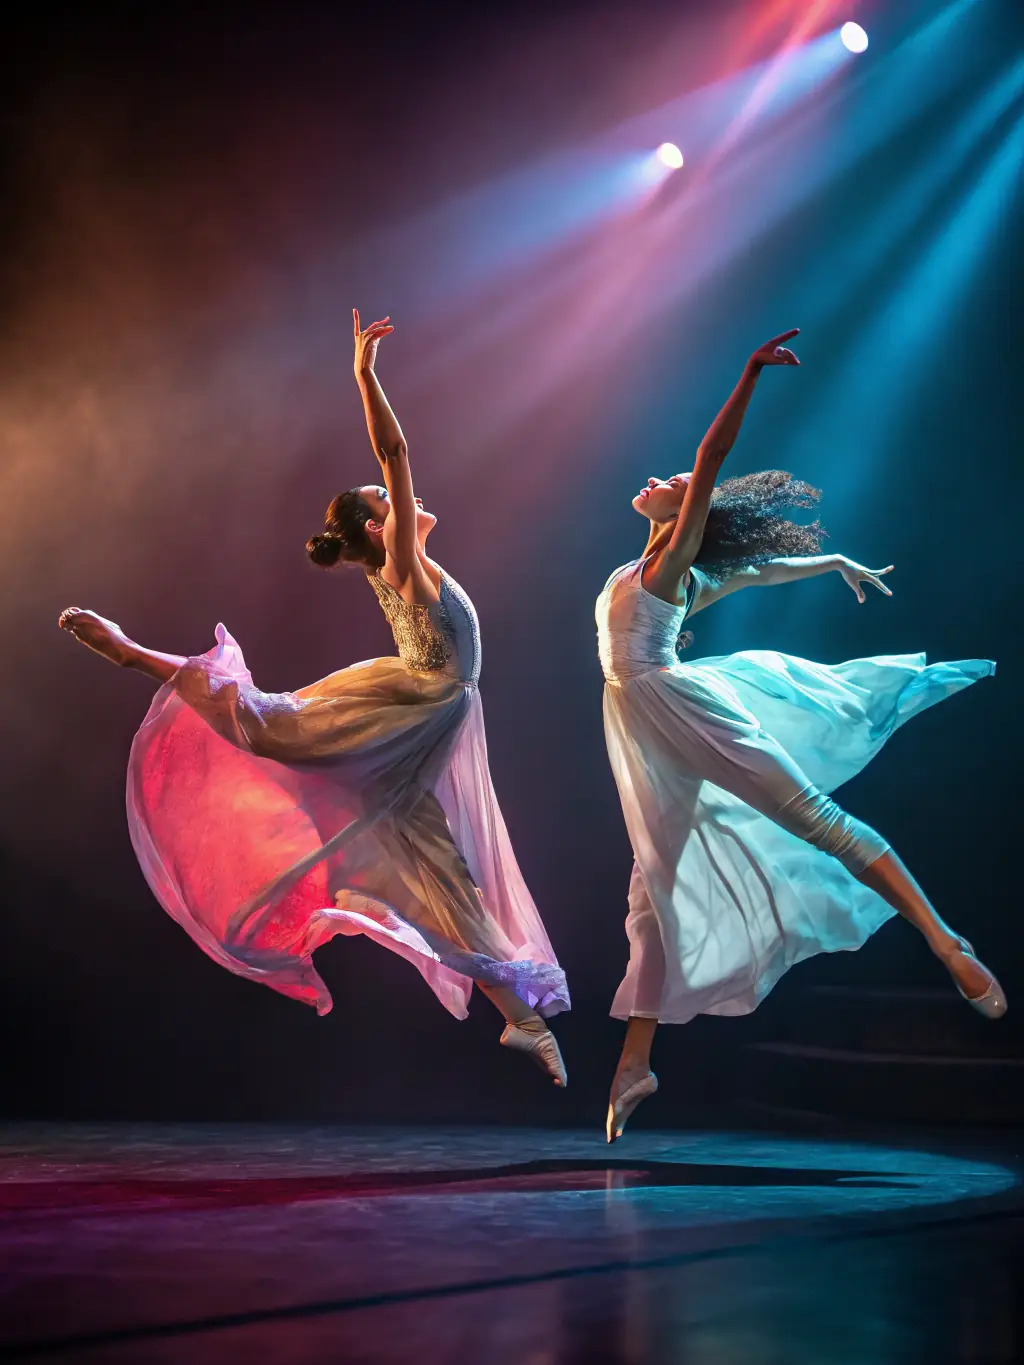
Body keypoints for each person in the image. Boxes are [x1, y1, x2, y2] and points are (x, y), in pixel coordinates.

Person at [59, 309, 569, 1085]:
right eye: (386, 496)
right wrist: (365, 377)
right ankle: (134, 651)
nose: (403, 493)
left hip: (425, 710)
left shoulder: (401, 560)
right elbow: (395, 451)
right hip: (418, 706)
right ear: (378, 519)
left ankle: (524, 1021)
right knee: (273, 723)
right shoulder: (403, 563)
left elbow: (395, 465)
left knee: (438, 865)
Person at [595, 328, 1002, 1141]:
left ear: (688, 511)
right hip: (643, 730)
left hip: (679, 709)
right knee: (654, 884)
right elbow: (756, 572)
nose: (659, 478)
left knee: (813, 817)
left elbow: (711, 460)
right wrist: (832, 559)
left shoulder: (671, 565)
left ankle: (947, 942)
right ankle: (636, 1065)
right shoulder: (652, 573)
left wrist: (745, 375)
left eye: (671, 482)